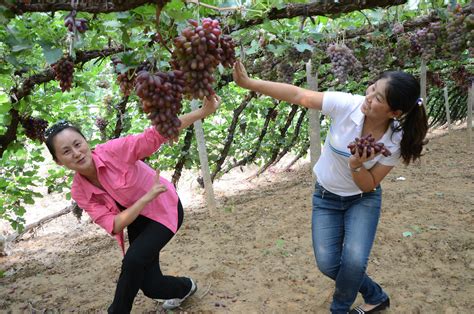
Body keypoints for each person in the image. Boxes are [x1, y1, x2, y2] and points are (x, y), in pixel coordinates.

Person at [233, 61, 428, 313]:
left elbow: (369, 185)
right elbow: (298, 95)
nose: (368, 97)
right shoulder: (347, 105)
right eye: (372, 89)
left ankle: (339, 309)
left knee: (354, 262)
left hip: (362, 199)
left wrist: (356, 166)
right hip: (326, 197)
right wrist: (249, 83)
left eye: (378, 97)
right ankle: (375, 295)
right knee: (327, 264)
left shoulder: (394, 141)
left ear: (394, 113)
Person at [44, 95, 221, 313]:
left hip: (164, 206)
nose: (76, 153)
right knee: (150, 286)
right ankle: (186, 287)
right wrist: (144, 199)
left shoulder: (113, 151)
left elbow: (155, 135)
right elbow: (115, 224)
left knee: (133, 261)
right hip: (137, 218)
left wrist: (202, 112)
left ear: (86, 142)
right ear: (58, 161)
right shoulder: (79, 191)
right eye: (66, 151)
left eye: (78, 144)